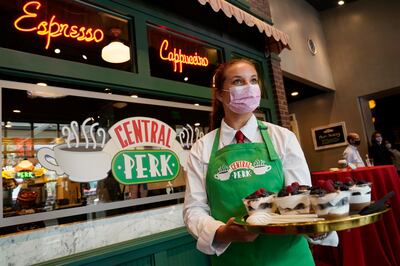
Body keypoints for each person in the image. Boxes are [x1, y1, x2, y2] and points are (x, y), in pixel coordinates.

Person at [183, 59, 337, 266]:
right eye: (238, 81)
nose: (249, 87)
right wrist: (222, 233)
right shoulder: (201, 148)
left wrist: (318, 229)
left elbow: (302, 197)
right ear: (220, 94)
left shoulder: (283, 138)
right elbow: (194, 209)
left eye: (253, 80)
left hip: (289, 257)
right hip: (234, 259)